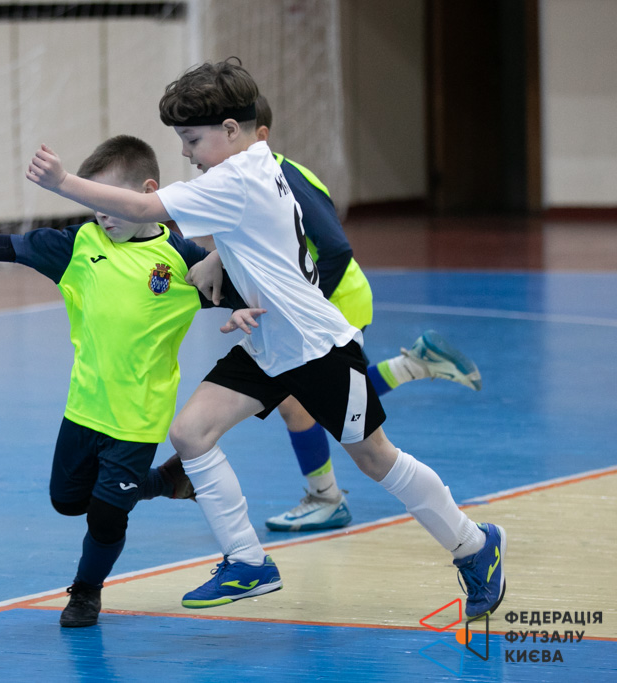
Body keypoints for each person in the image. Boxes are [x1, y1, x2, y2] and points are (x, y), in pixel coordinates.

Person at [24, 59, 506, 621]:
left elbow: (145, 207)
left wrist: (63, 182)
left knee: (376, 459)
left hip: (316, 348)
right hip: (268, 344)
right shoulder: (255, 163)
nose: (187, 153)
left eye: (192, 140)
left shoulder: (234, 178)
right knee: (191, 433)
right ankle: (248, 562)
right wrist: (218, 258)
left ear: (231, 129)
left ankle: (475, 544)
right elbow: (257, 232)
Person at [0, 135, 239, 628]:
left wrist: (243, 305)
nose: (102, 214)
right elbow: (10, 248)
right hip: (83, 409)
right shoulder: (79, 245)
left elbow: (242, 287)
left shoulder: (184, 261)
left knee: (106, 515)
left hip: (139, 419)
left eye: (110, 202)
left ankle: (86, 592)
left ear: (148, 193)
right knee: (68, 501)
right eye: (93, 203)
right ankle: (165, 480)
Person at [191, 94, 483, 533]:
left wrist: (302, 306)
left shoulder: (284, 178)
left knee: (300, 405)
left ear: (254, 135)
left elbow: (336, 249)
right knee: (328, 399)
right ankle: (412, 366)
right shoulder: (244, 182)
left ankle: (325, 498)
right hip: (314, 303)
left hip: (332, 299)